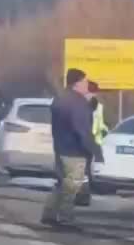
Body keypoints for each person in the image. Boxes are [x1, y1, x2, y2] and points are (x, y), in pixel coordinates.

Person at [41, 68, 100, 230]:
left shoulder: (60, 99)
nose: (86, 85)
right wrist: (91, 148)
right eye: (84, 82)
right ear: (77, 83)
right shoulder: (77, 103)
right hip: (75, 150)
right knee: (72, 185)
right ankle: (65, 216)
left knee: (62, 182)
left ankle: (50, 212)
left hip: (60, 147)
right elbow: (81, 128)